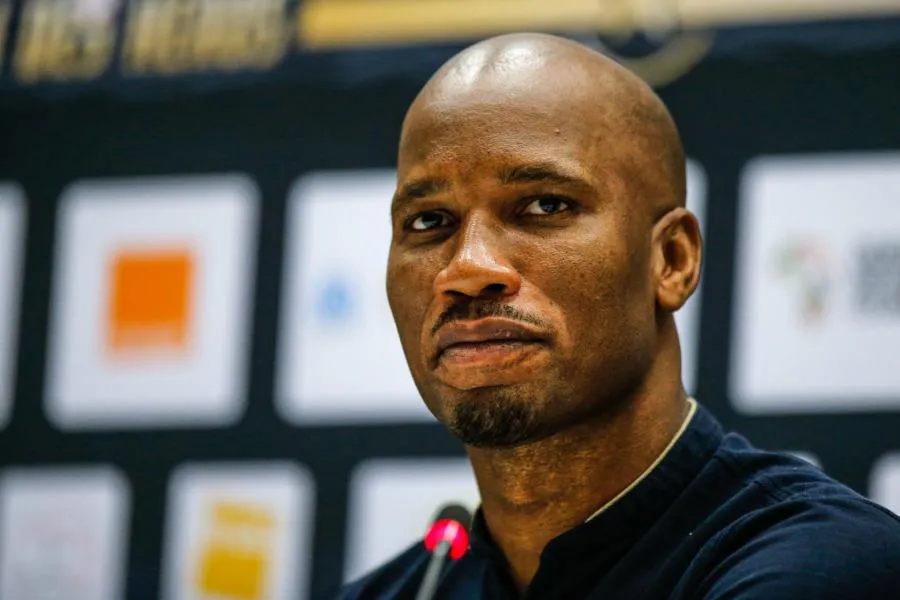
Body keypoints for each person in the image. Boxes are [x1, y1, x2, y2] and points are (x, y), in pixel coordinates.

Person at [339, 32, 900, 599]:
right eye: (429, 221)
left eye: (545, 205)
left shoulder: (820, 568)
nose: (466, 268)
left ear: (671, 260)